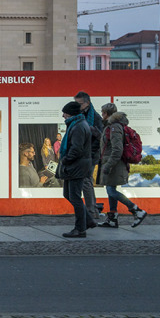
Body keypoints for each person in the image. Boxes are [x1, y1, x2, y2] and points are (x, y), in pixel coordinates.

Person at [98, 102, 148, 228]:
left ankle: (137, 210)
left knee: (110, 190)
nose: (101, 114)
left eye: (102, 112)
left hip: (115, 164)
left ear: (107, 113)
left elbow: (117, 150)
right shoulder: (111, 126)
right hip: (113, 163)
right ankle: (112, 219)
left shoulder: (114, 127)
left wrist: (108, 165)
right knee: (111, 190)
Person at [58, 100, 93, 237]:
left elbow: (76, 149)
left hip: (76, 166)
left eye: (64, 113)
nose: (63, 116)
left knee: (75, 197)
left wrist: (66, 160)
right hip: (76, 166)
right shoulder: (77, 124)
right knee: (68, 195)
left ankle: (80, 229)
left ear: (70, 113)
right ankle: (88, 221)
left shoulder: (78, 126)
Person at [75, 91, 105, 227]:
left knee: (86, 180)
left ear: (87, 103)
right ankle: (92, 210)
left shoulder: (95, 117)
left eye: (79, 103)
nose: (77, 106)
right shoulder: (82, 115)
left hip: (91, 154)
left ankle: (92, 211)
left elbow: (101, 137)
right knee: (86, 181)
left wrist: (90, 131)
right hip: (85, 153)